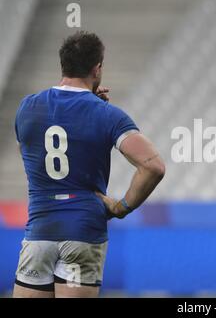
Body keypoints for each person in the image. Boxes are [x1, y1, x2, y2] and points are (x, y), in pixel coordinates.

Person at [13, 31, 165, 298]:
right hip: (83, 230)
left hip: (40, 230)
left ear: (63, 65)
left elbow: (29, 148)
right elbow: (153, 165)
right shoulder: (106, 114)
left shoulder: (27, 108)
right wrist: (121, 207)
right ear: (97, 69)